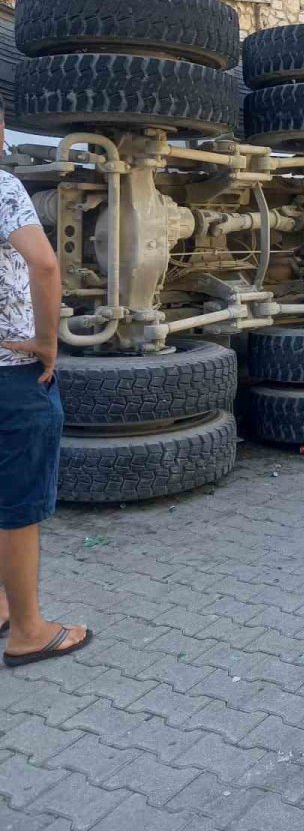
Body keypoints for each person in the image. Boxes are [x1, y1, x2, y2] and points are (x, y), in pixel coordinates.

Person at [0, 101, 91, 667]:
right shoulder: (3, 187)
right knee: (17, 507)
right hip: (10, 373)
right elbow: (46, 264)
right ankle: (29, 631)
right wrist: (47, 340)